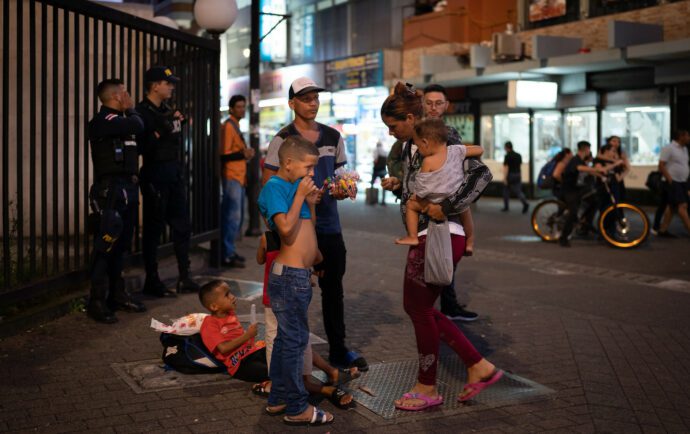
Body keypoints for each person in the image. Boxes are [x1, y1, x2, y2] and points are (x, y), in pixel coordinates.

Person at [381, 83, 503, 410]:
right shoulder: (411, 144)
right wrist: (401, 186)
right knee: (420, 308)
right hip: (430, 234)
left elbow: (480, 176)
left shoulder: (442, 136)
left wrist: (446, 207)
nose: (391, 132)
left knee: (418, 309)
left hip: (440, 233)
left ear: (410, 118)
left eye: (393, 126)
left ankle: (432, 386)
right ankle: (474, 368)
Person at [262, 77, 368, 372]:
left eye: (316, 98)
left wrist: (344, 189)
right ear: (292, 103)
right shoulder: (282, 139)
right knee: (295, 293)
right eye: (306, 98)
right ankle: (295, 359)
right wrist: (282, 219)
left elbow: (341, 176)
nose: (312, 103)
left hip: (329, 226)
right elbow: (269, 183)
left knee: (333, 289)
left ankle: (338, 349)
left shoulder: (334, 137)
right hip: (297, 227)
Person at [257, 135, 334, 426]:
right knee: (293, 342)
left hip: (298, 276)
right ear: (288, 163)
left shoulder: (290, 188)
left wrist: (310, 202)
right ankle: (297, 407)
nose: (312, 174)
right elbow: (286, 231)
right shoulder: (274, 187)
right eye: (308, 167)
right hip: (289, 277)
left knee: (289, 340)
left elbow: (307, 228)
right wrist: (301, 195)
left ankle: (278, 398)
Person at [252, 231, 359, 411]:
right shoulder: (299, 236)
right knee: (297, 338)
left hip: (273, 297)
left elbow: (260, 259)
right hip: (294, 295)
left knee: (279, 339)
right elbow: (317, 257)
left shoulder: (267, 237)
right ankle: (302, 383)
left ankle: (282, 385)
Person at [85, 79, 147, 323]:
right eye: (125, 93)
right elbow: (138, 123)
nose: (129, 96)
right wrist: (131, 109)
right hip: (110, 190)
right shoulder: (104, 122)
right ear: (115, 97)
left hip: (128, 187)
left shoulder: (123, 123)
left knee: (122, 246)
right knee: (106, 244)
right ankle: (97, 301)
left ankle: (117, 295)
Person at [136, 66, 199, 297]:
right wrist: (162, 128)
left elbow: (173, 141)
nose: (171, 86)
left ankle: (185, 277)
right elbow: (142, 147)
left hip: (174, 173)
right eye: (167, 82)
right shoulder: (141, 113)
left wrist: (177, 124)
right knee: (154, 230)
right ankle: (152, 280)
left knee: (182, 226)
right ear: (155, 86)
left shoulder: (168, 110)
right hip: (155, 174)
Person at [395, 118, 483, 246]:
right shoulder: (456, 150)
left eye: (418, 146)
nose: (419, 150)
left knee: (411, 205)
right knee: (465, 211)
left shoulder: (428, 161)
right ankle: (469, 241)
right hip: (454, 198)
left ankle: (412, 236)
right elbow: (479, 149)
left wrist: (416, 196)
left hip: (435, 201)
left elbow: (422, 187)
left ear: (425, 143)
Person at [198, 280, 268, 382]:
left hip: (252, 352)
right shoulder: (210, 324)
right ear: (214, 306)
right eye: (227, 295)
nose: (233, 297)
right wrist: (247, 335)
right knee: (270, 371)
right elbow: (224, 348)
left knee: (279, 353)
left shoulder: (230, 313)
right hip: (240, 364)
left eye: (230, 292)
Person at [220, 95, 255, 269]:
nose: (241, 109)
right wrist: (244, 154)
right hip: (232, 176)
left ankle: (230, 251)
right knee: (232, 217)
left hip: (239, 177)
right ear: (231, 108)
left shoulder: (235, 126)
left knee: (236, 218)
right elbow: (224, 154)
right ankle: (226, 254)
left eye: (243, 106)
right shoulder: (228, 126)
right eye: (238, 107)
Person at [558, 141, 607, 247]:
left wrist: (601, 175)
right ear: (585, 149)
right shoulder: (575, 160)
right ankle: (563, 238)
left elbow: (588, 171)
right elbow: (580, 168)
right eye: (589, 149)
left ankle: (586, 223)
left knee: (594, 201)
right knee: (573, 213)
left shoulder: (581, 161)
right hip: (569, 191)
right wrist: (597, 169)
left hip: (578, 189)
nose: (590, 152)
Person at [657, 129, 690, 237]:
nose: (689, 138)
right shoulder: (669, 148)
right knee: (683, 206)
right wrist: (670, 179)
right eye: (687, 136)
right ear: (681, 136)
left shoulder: (684, 149)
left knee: (671, 206)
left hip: (682, 181)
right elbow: (661, 165)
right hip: (673, 181)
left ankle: (662, 230)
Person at [501, 141, 529, 214]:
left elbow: (506, 167)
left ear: (507, 147)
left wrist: (505, 178)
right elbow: (519, 166)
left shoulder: (507, 156)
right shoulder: (518, 155)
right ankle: (525, 203)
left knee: (506, 190)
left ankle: (506, 207)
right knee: (518, 191)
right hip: (518, 174)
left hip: (510, 175)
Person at [370, 141, 388, 205]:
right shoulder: (385, 151)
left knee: (372, 184)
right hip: (383, 170)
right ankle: (383, 201)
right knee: (384, 185)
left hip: (376, 170)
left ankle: (372, 199)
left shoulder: (376, 150)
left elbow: (375, 160)